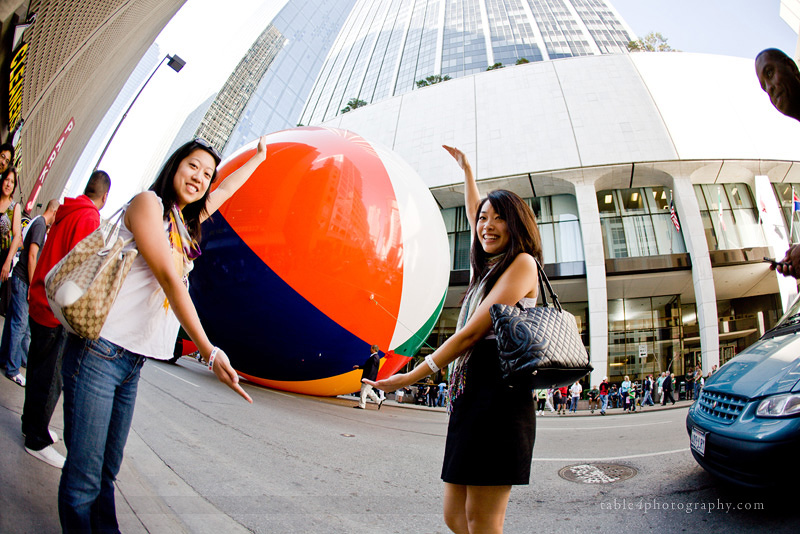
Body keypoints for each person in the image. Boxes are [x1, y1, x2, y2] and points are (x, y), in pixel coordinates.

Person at [57, 137, 264, 532]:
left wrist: (259, 158)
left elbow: (224, 191)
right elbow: (170, 278)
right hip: (99, 352)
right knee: (84, 477)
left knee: (106, 472)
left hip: (129, 362)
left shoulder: (182, 227)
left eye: (207, 174)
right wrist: (209, 350)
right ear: (176, 165)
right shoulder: (147, 205)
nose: (200, 178)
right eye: (194, 166)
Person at [365, 145, 542, 534]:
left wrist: (411, 376)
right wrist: (468, 172)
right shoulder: (487, 269)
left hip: (499, 402)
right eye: (483, 219)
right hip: (469, 399)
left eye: (499, 219)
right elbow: (475, 210)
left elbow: (473, 332)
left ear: (518, 225)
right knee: (454, 516)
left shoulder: (522, 264)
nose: (486, 225)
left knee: (483, 521)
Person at [22, 172, 110, 469]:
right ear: (105, 197)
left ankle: (31, 424)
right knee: (49, 377)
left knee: (36, 368)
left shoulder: (67, 211)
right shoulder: (89, 219)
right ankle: (36, 439)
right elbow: (82, 269)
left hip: (40, 298)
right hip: (56, 308)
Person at [0, 198, 58, 387]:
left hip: (19, 277)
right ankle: (12, 368)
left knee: (13, 322)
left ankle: (5, 358)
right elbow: (33, 256)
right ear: (54, 212)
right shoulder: (41, 225)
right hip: (24, 279)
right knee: (20, 323)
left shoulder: (37, 222)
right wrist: (33, 286)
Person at [0, 166, 22, 314]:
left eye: (12, 182)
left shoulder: (15, 207)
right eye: (7, 180)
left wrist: (7, 262)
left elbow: (17, 236)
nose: (8, 184)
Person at [353, 344, 383, 409]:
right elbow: (367, 367)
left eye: (371, 348)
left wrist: (367, 379)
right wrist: (359, 367)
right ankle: (379, 401)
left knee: (363, 391)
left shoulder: (374, 358)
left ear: (374, 349)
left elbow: (372, 370)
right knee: (369, 391)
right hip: (370, 378)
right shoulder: (375, 357)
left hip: (369, 378)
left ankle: (362, 405)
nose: (370, 349)